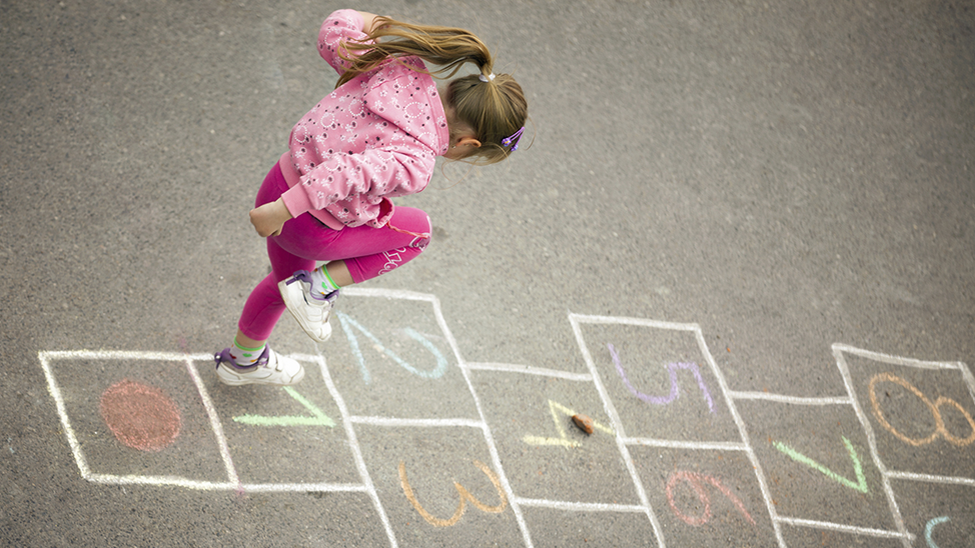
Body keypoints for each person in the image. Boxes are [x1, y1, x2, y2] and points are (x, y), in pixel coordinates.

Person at [214, 9, 528, 386]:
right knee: (419, 233)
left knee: (285, 285)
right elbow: (348, 172)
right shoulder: (416, 159)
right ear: (467, 143)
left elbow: (335, 30)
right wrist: (283, 211)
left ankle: (242, 362)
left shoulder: (398, 67)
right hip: (306, 221)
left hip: (277, 183)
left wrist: (385, 26)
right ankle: (319, 290)